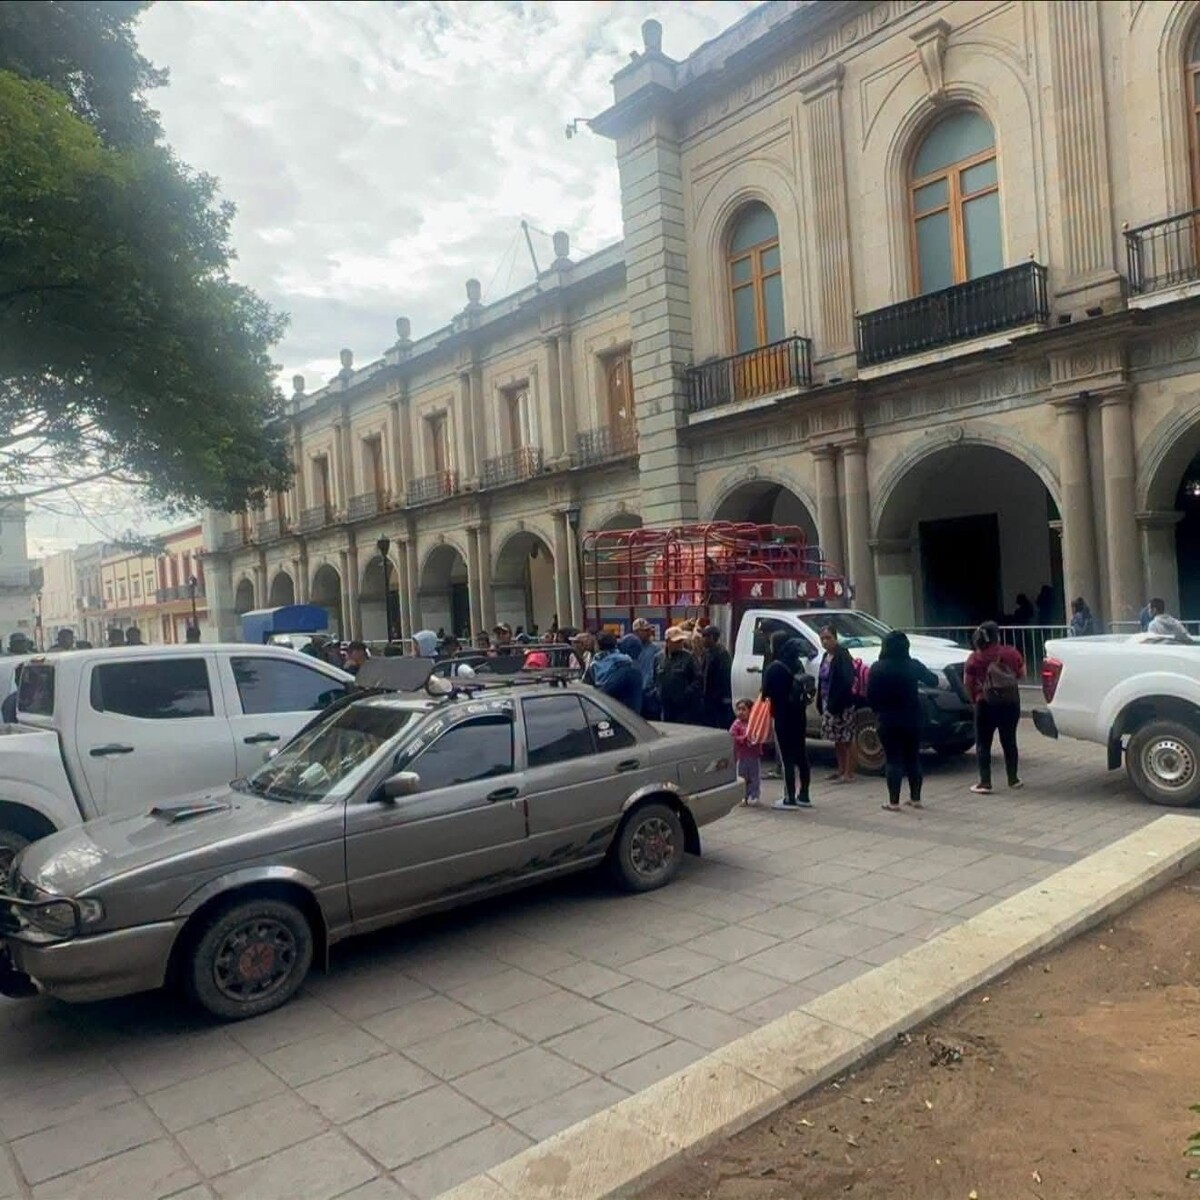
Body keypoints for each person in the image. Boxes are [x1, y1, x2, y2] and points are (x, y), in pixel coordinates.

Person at [867, 630, 938, 812]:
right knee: (913, 758)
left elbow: (871, 696)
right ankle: (916, 799)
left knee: (893, 760)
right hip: (912, 718)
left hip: (888, 719)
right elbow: (934, 680)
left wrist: (877, 711)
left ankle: (893, 802)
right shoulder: (913, 665)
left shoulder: (877, 668)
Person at [964, 620, 1024, 794]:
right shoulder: (1011, 653)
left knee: (983, 743)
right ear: (997, 635)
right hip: (1010, 703)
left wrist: (973, 700)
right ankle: (1013, 779)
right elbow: (1022, 674)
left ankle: (985, 782)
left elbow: (968, 683)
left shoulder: (975, 658)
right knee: (1009, 740)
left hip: (985, 704)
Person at [762, 632, 814, 808]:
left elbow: (766, 693)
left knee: (786, 757)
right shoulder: (797, 664)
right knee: (801, 754)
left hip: (782, 716)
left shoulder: (774, 667)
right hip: (799, 715)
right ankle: (804, 795)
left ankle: (789, 797)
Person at [817, 625, 858, 783]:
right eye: (823, 639)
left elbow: (846, 680)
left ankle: (849, 773)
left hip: (842, 704)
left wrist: (837, 701)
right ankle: (840, 769)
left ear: (835, 638)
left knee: (847, 738)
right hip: (828, 702)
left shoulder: (843, 656)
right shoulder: (825, 657)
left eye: (828, 638)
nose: (825, 642)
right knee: (836, 738)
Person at [658, 626, 704, 724]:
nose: (679, 644)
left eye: (681, 641)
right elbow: (656, 677)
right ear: (668, 642)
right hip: (665, 707)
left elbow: (698, 680)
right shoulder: (659, 658)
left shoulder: (689, 658)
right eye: (676, 641)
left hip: (684, 709)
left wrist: (686, 694)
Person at [589, 632, 643, 712]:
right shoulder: (595, 664)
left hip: (622, 714)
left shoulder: (625, 666)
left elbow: (608, 690)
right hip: (608, 710)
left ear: (598, 645)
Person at [730, 698, 762, 806]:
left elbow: (759, 736)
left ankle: (754, 795)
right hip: (741, 756)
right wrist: (743, 738)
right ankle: (742, 796)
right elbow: (732, 736)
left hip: (754, 756)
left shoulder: (754, 724)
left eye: (744, 709)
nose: (740, 712)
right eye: (738, 709)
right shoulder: (737, 724)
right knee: (741, 777)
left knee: (754, 777)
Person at [700, 625, 733, 729]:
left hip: (718, 699)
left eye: (706, 636)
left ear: (713, 637)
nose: (703, 639)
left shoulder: (722, 654)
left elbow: (724, 678)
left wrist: (720, 697)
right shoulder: (707, 653)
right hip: (707, 699)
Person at [631, 618, 663, 720]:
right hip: (635, 694)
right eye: (644, 630)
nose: (648, 632)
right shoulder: (631, 649)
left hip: (650, 694)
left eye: (648, 630)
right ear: (635, 632)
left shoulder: (656, 650)